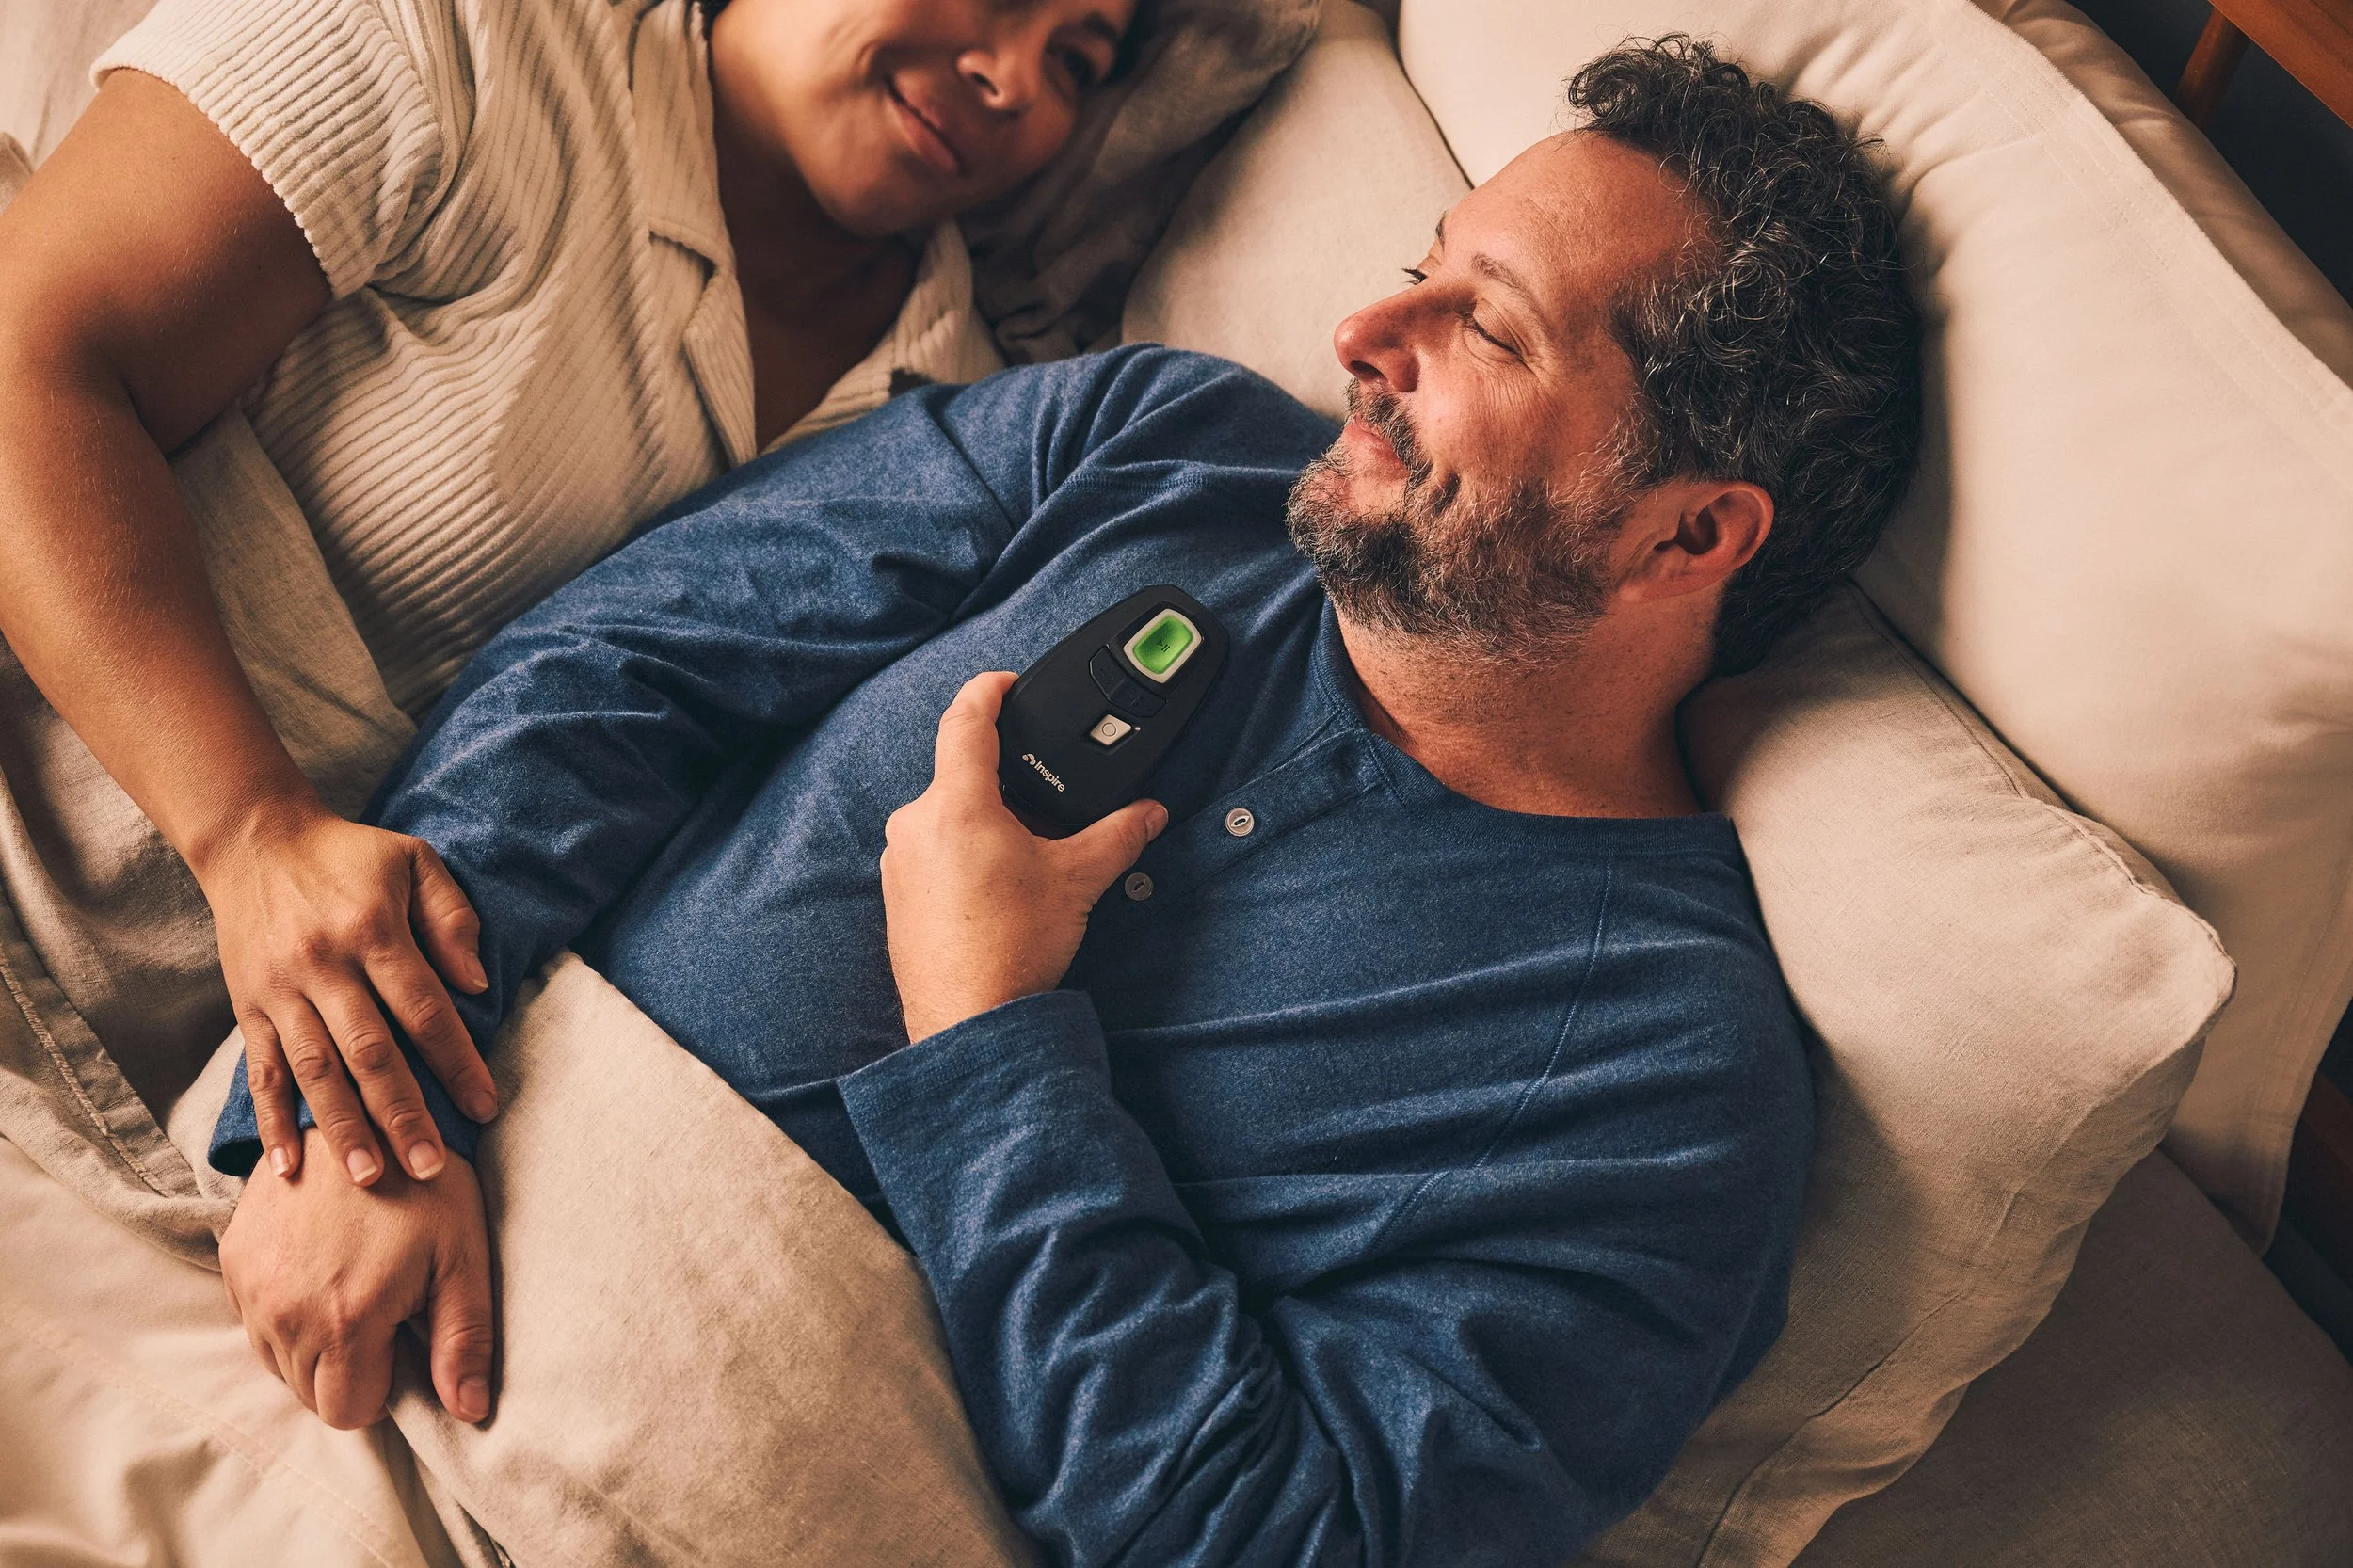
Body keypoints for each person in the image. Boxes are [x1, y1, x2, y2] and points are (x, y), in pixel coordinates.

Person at [214, 38, 1922, 1566]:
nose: (1360, 337)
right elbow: (626, 659)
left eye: (1481, 325)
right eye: (1423, 269)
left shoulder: (1666, 1088)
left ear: (1689, 535)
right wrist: (358, 1121)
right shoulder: (1149, 442)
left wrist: (990, 1035)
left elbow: (1273, 1534)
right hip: (292, 1276)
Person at [0, 0, 1130, 1196]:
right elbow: (24, 362)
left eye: (1076, 58)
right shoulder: (476, 41)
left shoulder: (970, 420)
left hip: (237, 1085)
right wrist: (254, 835)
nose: (1012, 77)